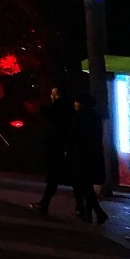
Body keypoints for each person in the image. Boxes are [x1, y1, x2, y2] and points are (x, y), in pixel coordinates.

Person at [29, 86, 73, 217]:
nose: (51, 96)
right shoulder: (67, 109)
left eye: (53, 94)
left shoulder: (58, 109)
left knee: (54, 176)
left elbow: (45, 113)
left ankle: (44, 204)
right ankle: (45, 203)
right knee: (57, 177)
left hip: (57, 147)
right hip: (60, 146)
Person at [67, 94, 109, 225]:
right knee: (88, 184)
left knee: (83, 184)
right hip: (94, 154)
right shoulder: (96, 116)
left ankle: (98, 212)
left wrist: (69, 150)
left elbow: (74, 135)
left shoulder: (80, 116)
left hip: (82, 155)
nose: (75, 104)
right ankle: (89, 214)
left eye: (77, 102)